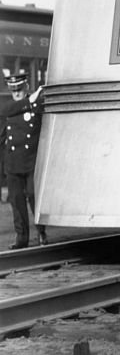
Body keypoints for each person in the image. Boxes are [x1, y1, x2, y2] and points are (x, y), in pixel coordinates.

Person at [1, 72, 46, 248]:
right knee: (17, 202)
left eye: (19, 89)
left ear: (26, 87)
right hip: (12, 164)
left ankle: (41, 232)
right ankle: (21, 239)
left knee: (35, 197)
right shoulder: (9, 108)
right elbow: (5, 113)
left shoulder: (37, 106)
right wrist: (29, 101)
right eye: (13, 90)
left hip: (31, 162)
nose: (17, 93)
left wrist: (33, 101)